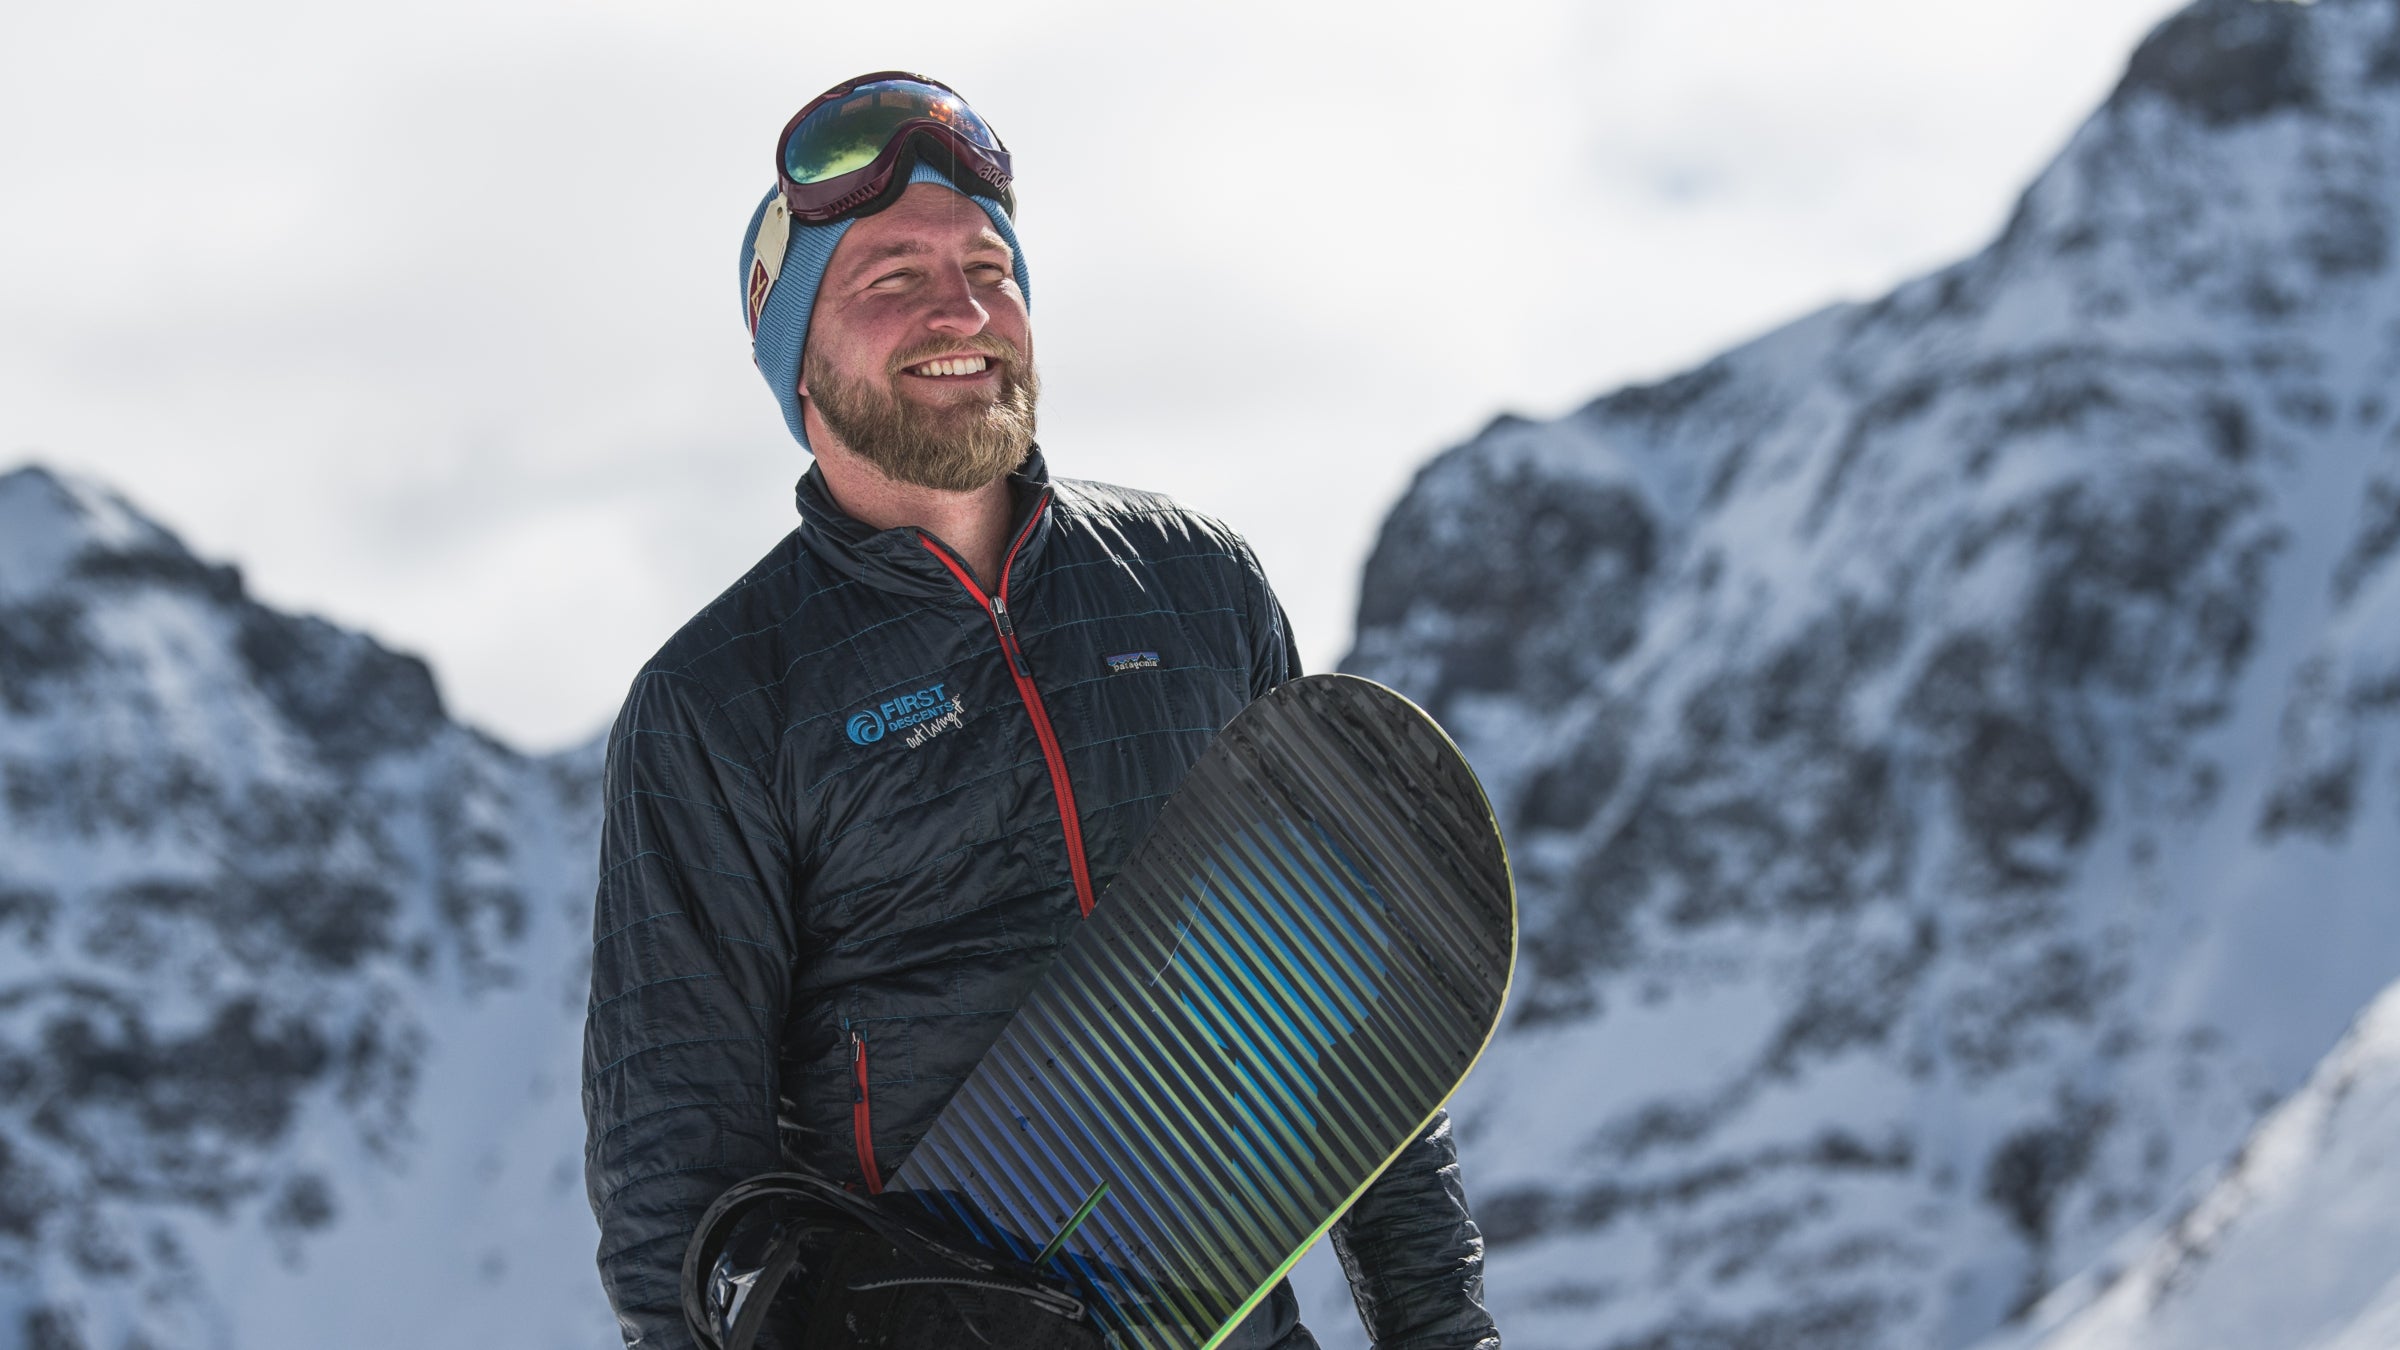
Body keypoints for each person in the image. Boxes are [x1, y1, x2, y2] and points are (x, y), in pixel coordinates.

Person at [581, 72, 1499, 1349]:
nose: (961, 309)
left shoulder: (1195, 587)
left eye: (988, 268)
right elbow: (671, 1172)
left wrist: (1443, 1334)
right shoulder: (722, 700)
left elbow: (1351, 1022)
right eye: (891, 278)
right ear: (799, 356)